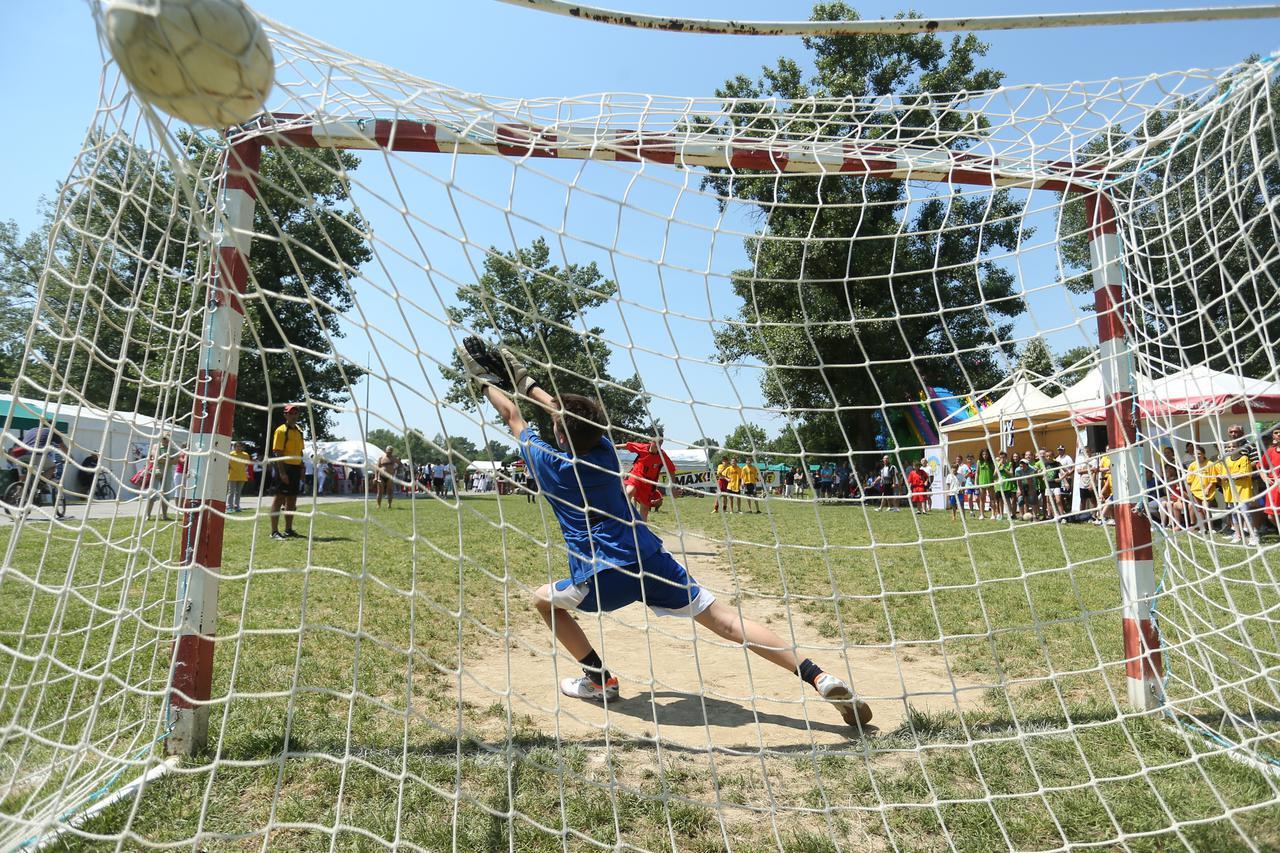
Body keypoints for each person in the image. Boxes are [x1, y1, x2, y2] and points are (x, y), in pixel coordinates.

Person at [457, 337, 871, 728]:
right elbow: (567, 417)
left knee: (543, 602)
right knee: (724, 619)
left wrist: (488, 383)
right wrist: (528, 381)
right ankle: (817, 676)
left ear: (560, 433)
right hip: (648, 555)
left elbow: (512, 416)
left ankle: (599, 678)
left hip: (602, 569)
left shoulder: (548, 461)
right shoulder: (602, 449)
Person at [623, 432, 678, 522]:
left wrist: (673, 487)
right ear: (651, 440)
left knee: (644, 509)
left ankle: (642, 531)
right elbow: (627, 446)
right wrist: (611, 445)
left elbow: (671, 470)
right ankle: (623, 517)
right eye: (656, 442)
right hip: (636, 476)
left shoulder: (662, 456)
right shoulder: (642, 447)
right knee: (629, 492)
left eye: (660, 443)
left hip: (649, 484)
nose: (658, 445)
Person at [269, 404, 305, 540]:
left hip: (295, 468)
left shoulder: (299, 431)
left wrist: (302, 469)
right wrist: (282, 473)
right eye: (291, 413)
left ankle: (288, 529)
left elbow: (300, 451)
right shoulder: (281, 430)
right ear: (285, 415)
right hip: (284, 466)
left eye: (296, 413)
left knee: (292, 501)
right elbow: (278, 452)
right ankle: (274, 532)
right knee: (279, 499)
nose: (294, 415)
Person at [1221, 440, 1259, 545]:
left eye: (1233, 446)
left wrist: (1231, 476)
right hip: (1230, 491)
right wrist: (1228, 476)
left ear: (1239, 448)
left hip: (1243, 490)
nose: (1231, 449)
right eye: (1229, 447)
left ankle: (1253, 536)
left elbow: (1245, 474)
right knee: (1234, 513)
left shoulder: (1244, 459)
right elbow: (1223, 475)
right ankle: (1238, 535)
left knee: (1245, 512)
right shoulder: (1226, 460)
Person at [1185, 445, 1221, 535]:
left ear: (1204, 454)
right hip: (1195, 491)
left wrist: (1208, 488)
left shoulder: (1209, 464)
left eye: (1199, 454)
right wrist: (1189, 492)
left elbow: (1213, 479)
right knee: (1199, 509)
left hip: (1207, 491)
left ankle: (1211, 528)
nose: (1197, 455)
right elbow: (1189, 480)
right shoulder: (1192, 465)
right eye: (1195, 454)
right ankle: (1203, 528)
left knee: (1206, 508)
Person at [144, 436, 175, 522]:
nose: (165, 440)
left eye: (167, 439)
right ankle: (148, 515)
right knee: (152, 494)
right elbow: (154, 457)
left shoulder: (172, 448)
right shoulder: (155, 446)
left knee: (166, 495)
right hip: (156, 472)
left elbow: (175, 461)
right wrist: (166, 459)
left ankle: (164, 515)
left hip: (167, 473)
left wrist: (162, 459)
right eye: (164, 438)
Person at [227, 441, 250, 513]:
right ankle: (229, 506)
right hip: (232, 475)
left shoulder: (246, 455)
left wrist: (246, 472)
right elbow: (227, 464)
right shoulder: (230, 454)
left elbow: (247, 465)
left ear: (242, 447)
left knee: (238, 492)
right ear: (234, 447)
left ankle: (237, 506)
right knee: (231, 492)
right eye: (237, 446)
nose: (238, 448)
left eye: (240, 446)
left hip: (242, 475)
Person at [975, 449, 995, 519]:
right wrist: (976, 483)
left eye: (986, 454)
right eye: (983, 454)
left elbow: (995, 471)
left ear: (989, 454)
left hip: (990, 481)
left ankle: (993, 514)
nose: (985, 456)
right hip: (982, 482)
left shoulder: (991, 462)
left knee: (992, 498)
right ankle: (982, 514)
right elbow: (977, 473)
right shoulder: (979, 462)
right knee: (982, 499)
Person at [996, 451, 1016, 520]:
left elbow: (1011, 474)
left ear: (1006, 457)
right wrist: (998, 466)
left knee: (1007, 500)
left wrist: (1004, 468)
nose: (1002, 459)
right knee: (1000, 500)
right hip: (999, 485)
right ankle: (1001, 515)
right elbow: (994, 475)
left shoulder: (1009, 464)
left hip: (1007, 485)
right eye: (1001, 457)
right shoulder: (997, 464)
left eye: (1003, 457)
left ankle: (1009, 515)